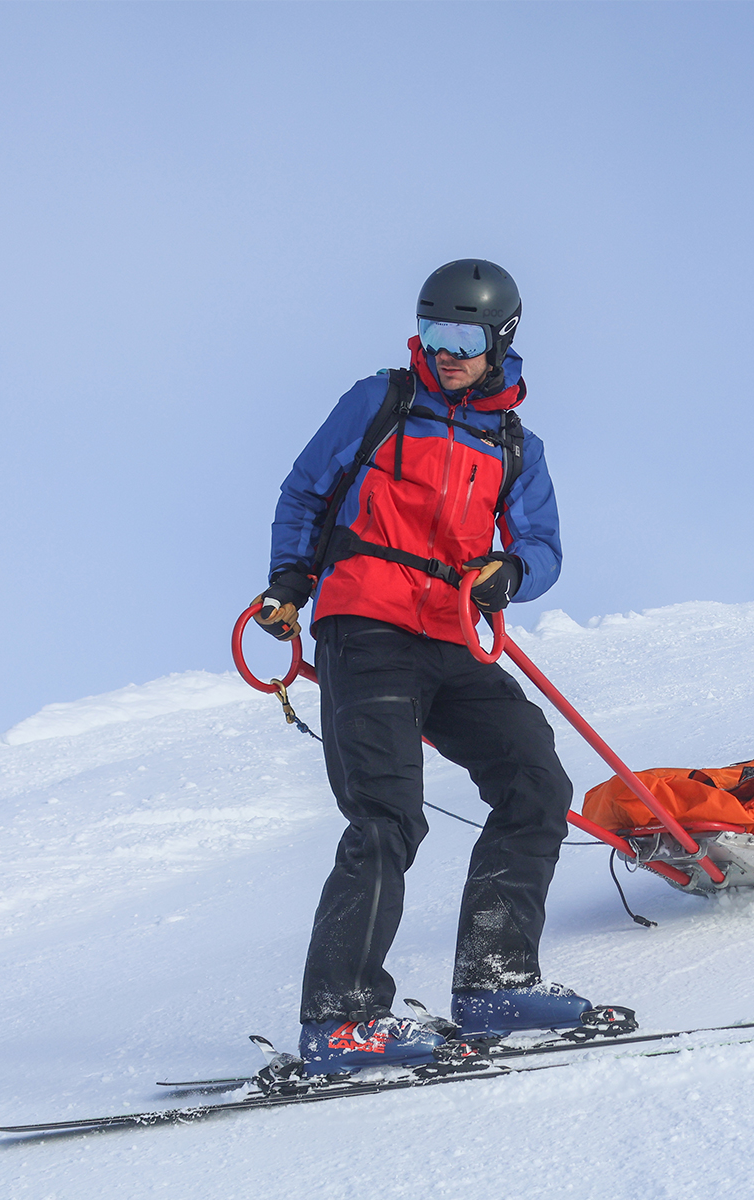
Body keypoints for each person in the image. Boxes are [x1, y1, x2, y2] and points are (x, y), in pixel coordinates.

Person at [253, 259, 590, 1075]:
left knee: (535, 782)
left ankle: (495, 982)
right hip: (366, 624)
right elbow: (305, 492)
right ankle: (341, 1020)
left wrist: (513, 572)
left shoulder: (514, 443)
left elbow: (541, 545)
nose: (447, 352)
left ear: (501, 340)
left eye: (465, 339)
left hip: (450, 635)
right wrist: (290, 582)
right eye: (434, 332)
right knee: (387, 815)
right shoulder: (382, 401)